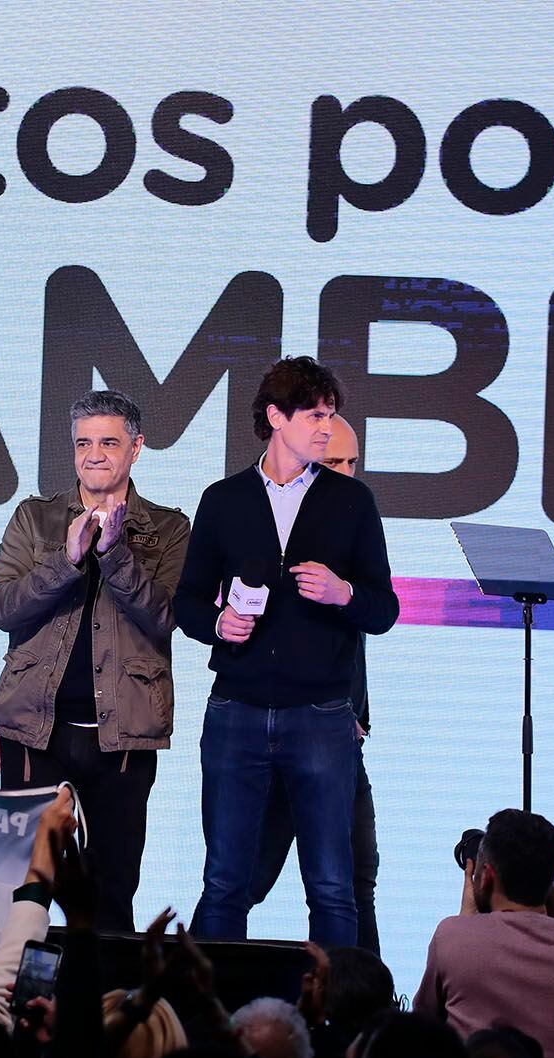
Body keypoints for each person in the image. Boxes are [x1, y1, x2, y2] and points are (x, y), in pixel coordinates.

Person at [173, 357, 398, 946]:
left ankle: (334, 1028)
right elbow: (187, 604)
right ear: (276, 417)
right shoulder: (224, 500)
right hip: (236, 713)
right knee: (225, 881)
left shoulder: (351, 501)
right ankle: (211, 1025)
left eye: (331, 416)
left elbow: (384, 609)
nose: (326, 428)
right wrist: (220, 624)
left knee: (331, 885)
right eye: (314, 415)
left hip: (322, 716)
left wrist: (343, 592)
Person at [0, 389, 188, 931]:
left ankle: (103, 1010)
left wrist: (115, 555)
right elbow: (1, 606)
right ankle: (19, 1009)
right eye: (83, 443)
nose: (94, 454)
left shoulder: (168, 528)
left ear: (136, 448)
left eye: (108, 442)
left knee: (112, 890)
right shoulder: (35, 517)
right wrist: (68, 560)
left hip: (121, 736)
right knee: (24, 887)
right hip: (34, 729)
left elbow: (166, 615)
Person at [247, 414, 382, 953]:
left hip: (339, 740)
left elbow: (376, 618)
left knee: (353, 885)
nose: (346, 474)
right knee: (241, 881)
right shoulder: (273, 526)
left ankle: (361, 1014)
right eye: (333, 463)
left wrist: (357, 715)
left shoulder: (358, 523)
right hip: (270, 735)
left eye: (352, 462)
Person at [414, 809, 554, 1058]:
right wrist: (546, 885)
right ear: (552, 881)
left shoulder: (451, 935)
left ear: (486, 876)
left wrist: (464, 924)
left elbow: (425, 1024)